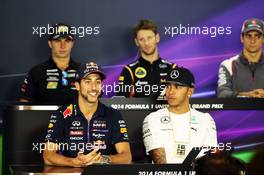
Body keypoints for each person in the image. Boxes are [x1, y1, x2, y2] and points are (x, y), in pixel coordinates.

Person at [43, 61, 132, 167]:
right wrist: (74, 162)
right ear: (77, 86)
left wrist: (102, 160)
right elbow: (48, 156)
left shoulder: (113, 115)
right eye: (87, 82)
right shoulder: (61, 115)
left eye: (97, 82)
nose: (94, 87)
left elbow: (126, 157)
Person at [142, 67, 217, 163]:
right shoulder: (152, 119)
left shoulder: (206, 119)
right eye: (168, 86)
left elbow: (211, 158)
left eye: (177, 86)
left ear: (190, 91)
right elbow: (160, 162)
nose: (170, 91)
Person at [19, 23, 80, 104]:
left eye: (67, 40)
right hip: (43, 117)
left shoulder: (82, 70)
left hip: (76, 117)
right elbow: (24, 103)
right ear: (50, 44)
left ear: (72, 44)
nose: (63, 46)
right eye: (58, 40)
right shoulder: (36, 72)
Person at [117, 19, 176, 98]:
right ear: (136, 42)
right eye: (141, 39)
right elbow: (121, 103)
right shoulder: (129, 70)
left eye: (149, 38)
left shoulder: (172, 68)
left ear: (157, 38)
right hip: (137, 111)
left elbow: (179, 100)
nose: (146, 43)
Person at [217, 18, 264, 98]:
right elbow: (222, 94)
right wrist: (248, 96)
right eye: (249, 36)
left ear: (263, 39)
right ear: (242, 38)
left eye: (257, 36)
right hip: (238, 111)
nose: (253, 41)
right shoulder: (228, 65)